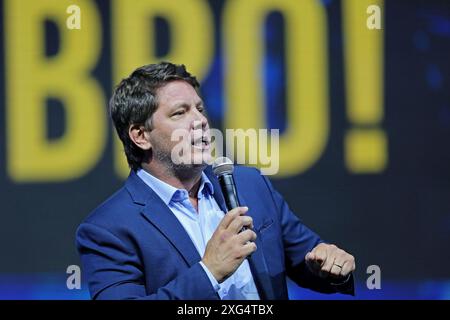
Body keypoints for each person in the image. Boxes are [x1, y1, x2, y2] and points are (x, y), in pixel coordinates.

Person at [76, 62, 356, 300]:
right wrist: (209, 272)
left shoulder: (251, 184)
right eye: (179, 113)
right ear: (140, 135)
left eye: (199, 108)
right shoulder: (107, 229)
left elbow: (308, 259)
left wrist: (332, 266)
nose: (199, 120)